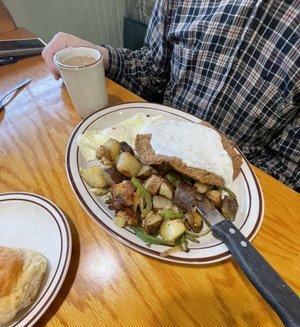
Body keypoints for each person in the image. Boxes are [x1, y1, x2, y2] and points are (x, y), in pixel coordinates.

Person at [42, 0, 300, 190]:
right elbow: (153, 71)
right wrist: (101, 56)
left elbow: (289, 167)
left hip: (240, 183)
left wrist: (227, 182)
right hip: (155, 140)